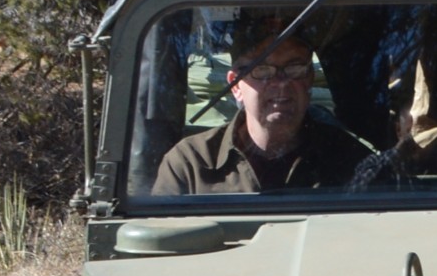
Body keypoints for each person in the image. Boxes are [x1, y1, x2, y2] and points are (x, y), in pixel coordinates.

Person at [151, 35, 371, 194]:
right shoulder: (190, 163)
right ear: (235, 85)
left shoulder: (353, 161)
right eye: (262, 70)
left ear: (310, 79)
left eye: (294, 68)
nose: (281, 83)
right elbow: (162, 237)